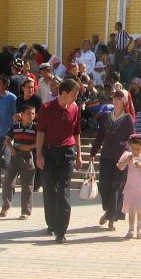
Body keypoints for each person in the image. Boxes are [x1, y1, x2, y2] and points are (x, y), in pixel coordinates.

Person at [36, 78, 83, 243]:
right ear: (63, 93)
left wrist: (79, 154)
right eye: (74, 94)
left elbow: (76, 132)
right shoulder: (46, 108)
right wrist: (39, 155)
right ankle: (51, 223)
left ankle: (61, 230)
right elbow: (40, 133)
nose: (76, 98)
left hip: (67, 153)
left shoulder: (75, 109)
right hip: (49, 152)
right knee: (49, 189)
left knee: (63, 190)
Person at [91, 89, 135, 231]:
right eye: (115, 98)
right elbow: (100, 136)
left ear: (125, 102)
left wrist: (130, 152)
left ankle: (111, 218)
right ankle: (108, 211)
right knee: (104, 186)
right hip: (106, 156)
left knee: (116, 187)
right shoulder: (105, 117)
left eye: (120, 99)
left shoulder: (128, 118)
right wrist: (93, 151)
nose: (116, 101)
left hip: (121, 158)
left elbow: (131, 138)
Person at [1, 104, 37, 219]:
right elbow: (7, 138)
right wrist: (11, 149)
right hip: (15, 157)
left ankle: (25, 212)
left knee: (27, 186)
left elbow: (40, 142)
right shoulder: (15, 126)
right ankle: (5, 207)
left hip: (27, 158)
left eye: (33, 113)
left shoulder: (36, 128)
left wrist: (29, 147)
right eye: (28, 113)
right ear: (22, 115)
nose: (31, 116)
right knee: (7, 182)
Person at [117, 133, 141, 239]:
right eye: (133, 148)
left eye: (137, 149)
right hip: (131, 184)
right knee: (131, 207)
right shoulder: (127, 155)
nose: (135, 151)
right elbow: (120, 166)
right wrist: (127, 161)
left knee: (140, 207)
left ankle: (140, 228)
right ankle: (131, 228)